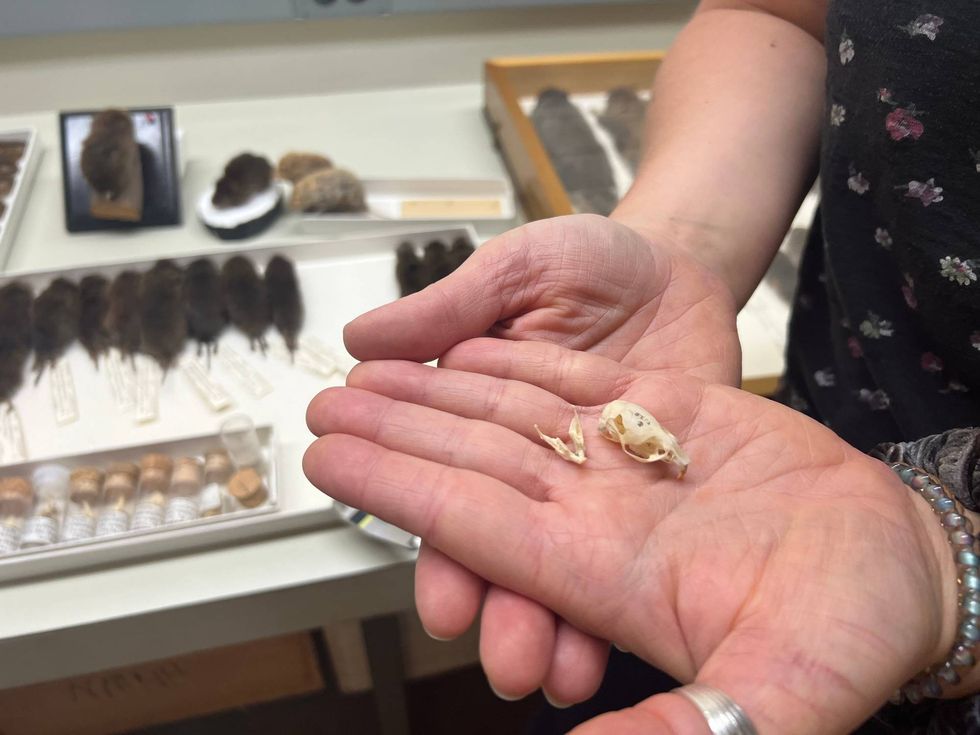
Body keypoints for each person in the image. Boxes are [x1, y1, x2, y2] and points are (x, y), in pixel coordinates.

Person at [304, 0, 980, 732]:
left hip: (872, 559)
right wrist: (682, 246)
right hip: (772, 458)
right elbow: (777, 16)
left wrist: (949, 562)